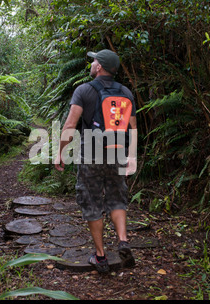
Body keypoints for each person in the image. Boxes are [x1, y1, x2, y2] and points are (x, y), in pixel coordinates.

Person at [55, 49, 137, 273]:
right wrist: (131, 156)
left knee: (92, 201)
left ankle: (100, 256)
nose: (91, 63)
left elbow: (70, 126)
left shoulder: (84, 90)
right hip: (117, 150)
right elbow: (133, 128)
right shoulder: (126, 92)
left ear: (99, 66)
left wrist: (60, 151)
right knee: (117, 196)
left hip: (92, 151)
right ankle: (123, 240)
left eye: (93, 61)